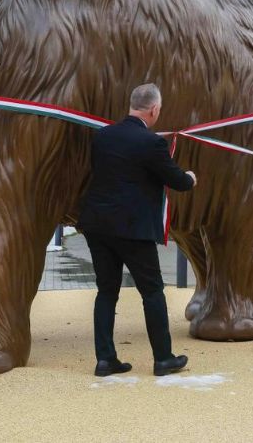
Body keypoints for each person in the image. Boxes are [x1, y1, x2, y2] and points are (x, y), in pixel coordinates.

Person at [77, 83, 197, 377]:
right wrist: (190, 178)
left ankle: (105, 359)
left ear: (132, 104)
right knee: (152, 291)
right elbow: (175, 179)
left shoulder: (103, 136)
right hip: (133, 229)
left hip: (98, 225)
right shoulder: (152, 142)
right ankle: (163, 358)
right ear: (154, 109)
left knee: (106, 291)